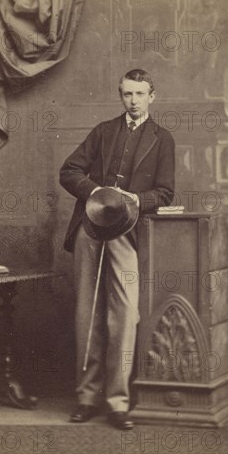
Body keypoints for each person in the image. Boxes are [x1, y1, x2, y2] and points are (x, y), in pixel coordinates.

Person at [59, 69, 175, 430]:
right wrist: (96, 193)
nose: (134, 100)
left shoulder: (162, 139)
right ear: (120, 95)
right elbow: (69, 171)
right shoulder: (103, 131)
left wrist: (134, 198)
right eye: (127, 94)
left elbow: (166, 194)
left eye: (140, 94)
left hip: (129, 234)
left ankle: (117, 401)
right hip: (91, 231)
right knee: (87, 313)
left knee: (124, 317)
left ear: (152, 96)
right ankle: (86, 397)